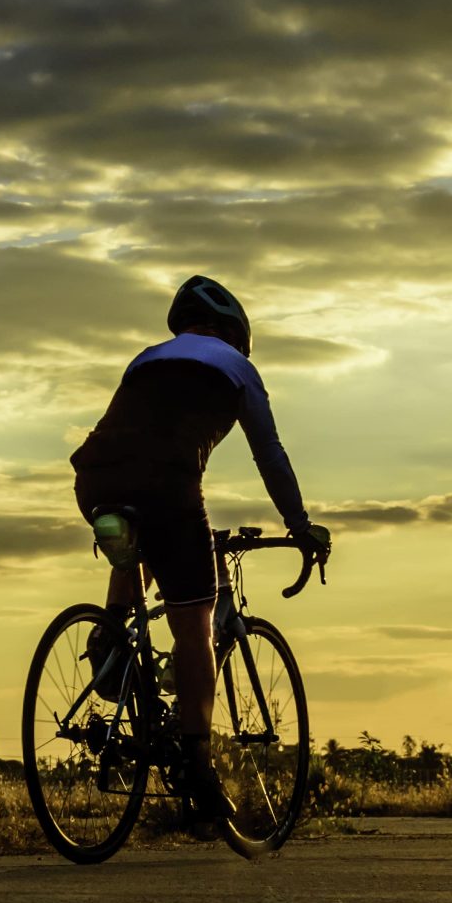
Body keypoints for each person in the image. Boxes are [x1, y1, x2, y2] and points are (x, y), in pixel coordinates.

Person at [70, 276, 330, 822]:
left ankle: (111, 636)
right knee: (196, 627)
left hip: (94, 479)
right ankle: (198, 765)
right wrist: (300, 524)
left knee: (137, 548)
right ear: (235, 334)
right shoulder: (237, 367)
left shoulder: (147, 358)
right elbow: (270, 454)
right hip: (167, 487)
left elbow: (133, 434)